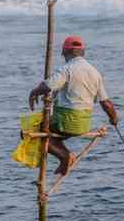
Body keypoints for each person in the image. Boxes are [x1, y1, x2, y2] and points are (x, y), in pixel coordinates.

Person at [28, 35, 118, 176]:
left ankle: (65, 156)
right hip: (84, 124)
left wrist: (33, 92)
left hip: (66, 121)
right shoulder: (95, 72)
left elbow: (48, 86)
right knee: (53, 136)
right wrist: (114, 119)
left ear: (64, 52)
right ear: (83, 52)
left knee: (39, 132)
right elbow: (106, 103)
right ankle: (65, 156)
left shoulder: (67, 69)